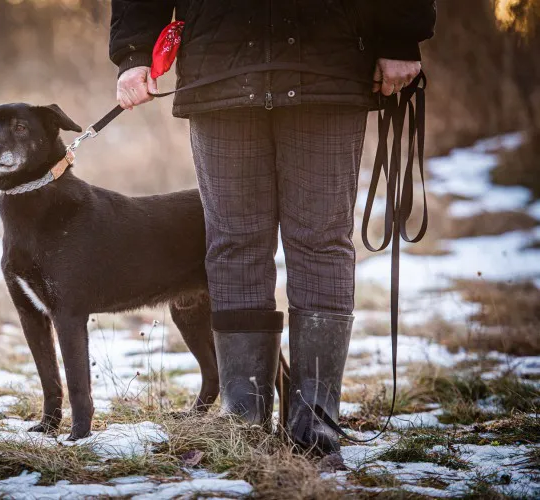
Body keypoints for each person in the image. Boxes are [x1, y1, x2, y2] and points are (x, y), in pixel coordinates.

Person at [109, 0, 436, 456]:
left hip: (330, 65)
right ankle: (244, 427)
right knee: (234, 245)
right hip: (219, 70)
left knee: (321, 243)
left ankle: (315, 429)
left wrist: (400, 33)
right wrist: (133, 51)